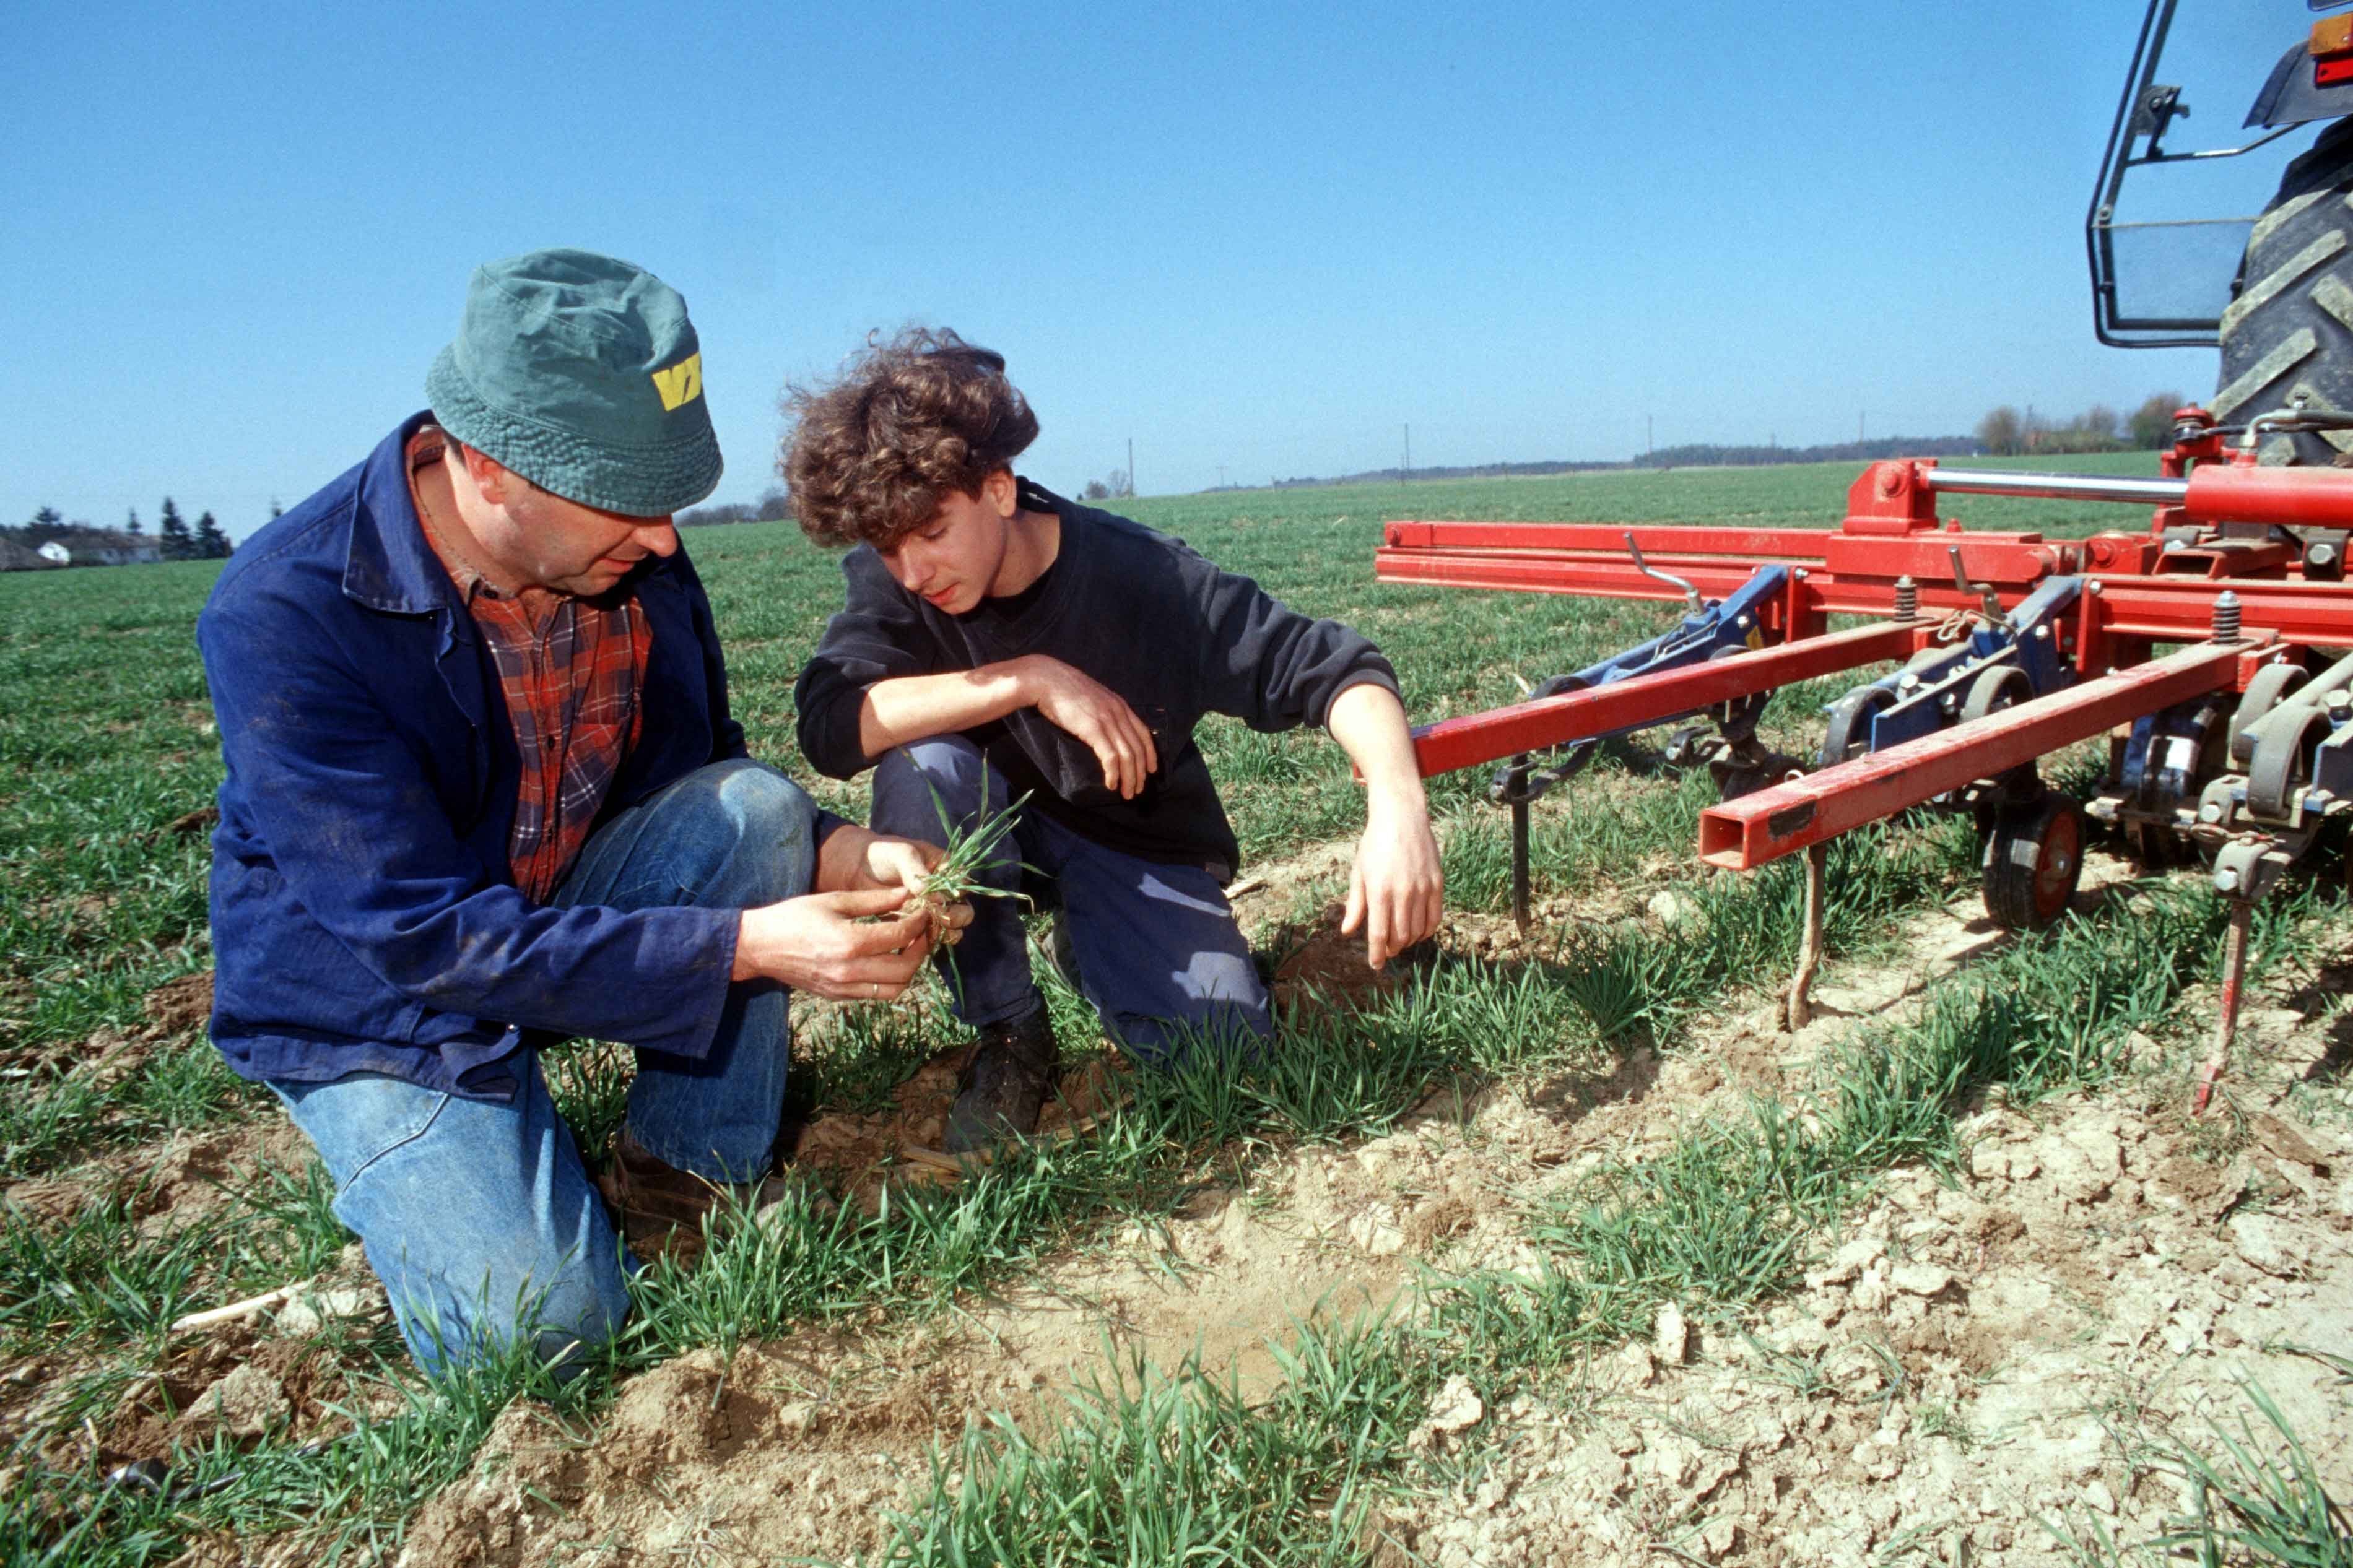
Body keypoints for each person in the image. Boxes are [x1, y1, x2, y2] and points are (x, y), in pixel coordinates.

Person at [198, 250, 967, 1378]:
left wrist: (841, 846)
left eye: (670, 499)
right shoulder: (288, 614)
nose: (665, 536)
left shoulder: (630, 553)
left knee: (754, 812)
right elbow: (429, 936)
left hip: (559, 906)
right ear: (488, 468)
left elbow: (705, 771)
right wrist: (750, 947)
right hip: (387, 998)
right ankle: (456, 1178)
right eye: (629, 499)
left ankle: (682, 1177)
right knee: (549, 1335)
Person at [786, 329, 1443, 1153]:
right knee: (926, 765)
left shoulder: (1148, 579)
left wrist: (1398, 804)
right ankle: (1008, 1030)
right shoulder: (898, 583)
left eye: (930, 532)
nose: (912, 572)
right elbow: (829, 723)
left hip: (1133, 840)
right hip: (990, 826)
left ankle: (1094, 939)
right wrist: (1029, 676)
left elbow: (1333, 667)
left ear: (997, 489)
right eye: (889, 547)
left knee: (1224, 1057)